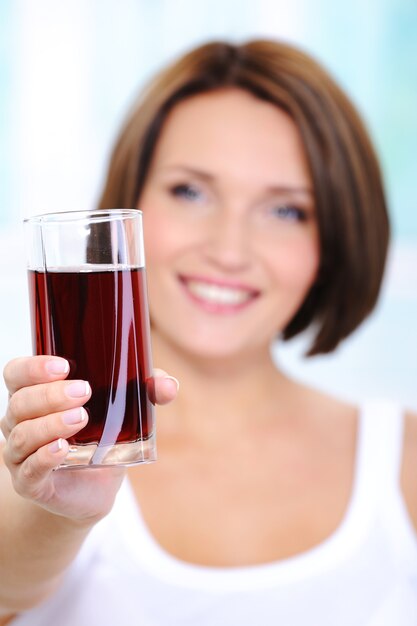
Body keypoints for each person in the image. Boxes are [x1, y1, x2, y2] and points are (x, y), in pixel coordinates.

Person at [1, 39, 416, 626]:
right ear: (129, 205)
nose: (229, 250)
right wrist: (60, 513)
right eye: (190, 192)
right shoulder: (38, 457)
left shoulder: (404, 460)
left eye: (286, 210)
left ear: (336, 239)